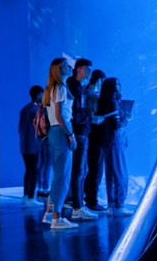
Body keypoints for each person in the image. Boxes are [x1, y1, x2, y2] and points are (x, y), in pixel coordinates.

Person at [42, 58, 77, 230]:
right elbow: (60, 115)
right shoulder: (61, 88)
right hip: (62, 131)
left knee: (58, 175)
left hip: (54, 132)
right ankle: (57, 217)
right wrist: (70, 134)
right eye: (67, 66)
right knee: (62, 176)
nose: (71, 68)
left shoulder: (51, 88)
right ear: (61, 69)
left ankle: (50, 214)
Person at [66, 58, 98, 221]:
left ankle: (78, 204)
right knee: (78, 171)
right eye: (88, 69)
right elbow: (74, 113)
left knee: (82, 170)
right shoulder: (74, 87)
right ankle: (77, 207)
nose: (90, 72)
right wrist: (89, 118)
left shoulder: (79, 87)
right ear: (79, 69)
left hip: (82, 131)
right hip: (78, 132)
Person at [98, 77, 133, 216]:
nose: (119, 86)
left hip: (107, 140)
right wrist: (126, 119)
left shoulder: (103, 101)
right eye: (117, 84)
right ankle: (119, 205)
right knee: (120, 172)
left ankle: (111, 205)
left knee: (111, 172)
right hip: (115, 139)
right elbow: (117, 125)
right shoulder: (113, 103)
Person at [83, 69, 108, 212]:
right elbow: (91, 115)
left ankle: (88, 198)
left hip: (90, 136)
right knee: (96, 169)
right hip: (95, 136)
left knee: (92, 169)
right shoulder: (92, 95)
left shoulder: (85, 93)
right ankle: (92, 200)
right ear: (99, 81)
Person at [17, 85, 45, 206]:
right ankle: (31, 197)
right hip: (33, 145)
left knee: (29, 170)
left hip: (25, 144)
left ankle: (26, 195)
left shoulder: (25, 109)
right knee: (33, 170)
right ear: (38, 94)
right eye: (42, 94)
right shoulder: (35, 110)